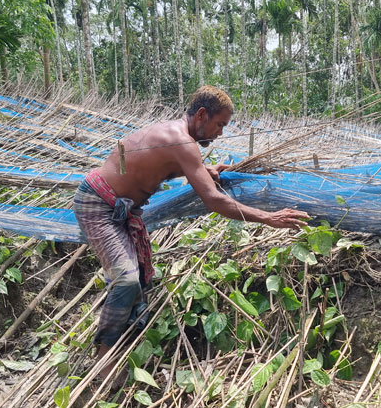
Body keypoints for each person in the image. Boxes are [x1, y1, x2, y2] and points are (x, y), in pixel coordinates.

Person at [72, 85, 309, 381]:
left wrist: (203, 169)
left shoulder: (177, 137)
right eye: (220, 124)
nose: (221, 132)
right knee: (127, 278)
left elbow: (169, 165)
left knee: (138, 279)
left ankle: (126, 339)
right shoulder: (182, 142)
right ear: (201, 115)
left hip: (119, 206)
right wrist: (268, 217)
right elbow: (213, 200)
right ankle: (103, 358)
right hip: (99, 204)